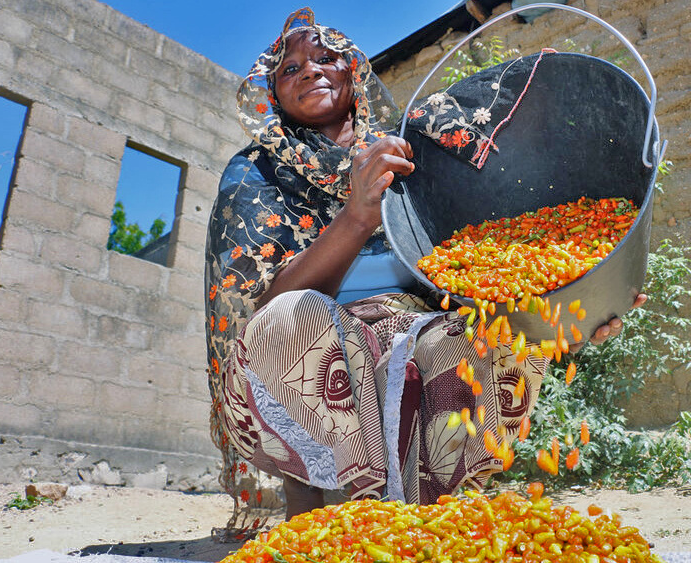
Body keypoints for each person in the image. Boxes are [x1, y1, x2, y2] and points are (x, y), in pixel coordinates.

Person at [205, 7, 644, 537]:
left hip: (420, 329)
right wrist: (358, 214)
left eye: (326, 58)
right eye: (290, 68)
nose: (311, 70)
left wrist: (577, 307)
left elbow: (487, 274)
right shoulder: (254, 174)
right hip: (306, 353)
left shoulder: (413, 154)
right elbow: (267, 305)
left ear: (355, 73)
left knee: (487, 336)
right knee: (295, 317)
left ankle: (430, 515)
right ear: (271, 93)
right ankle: (346, 512)